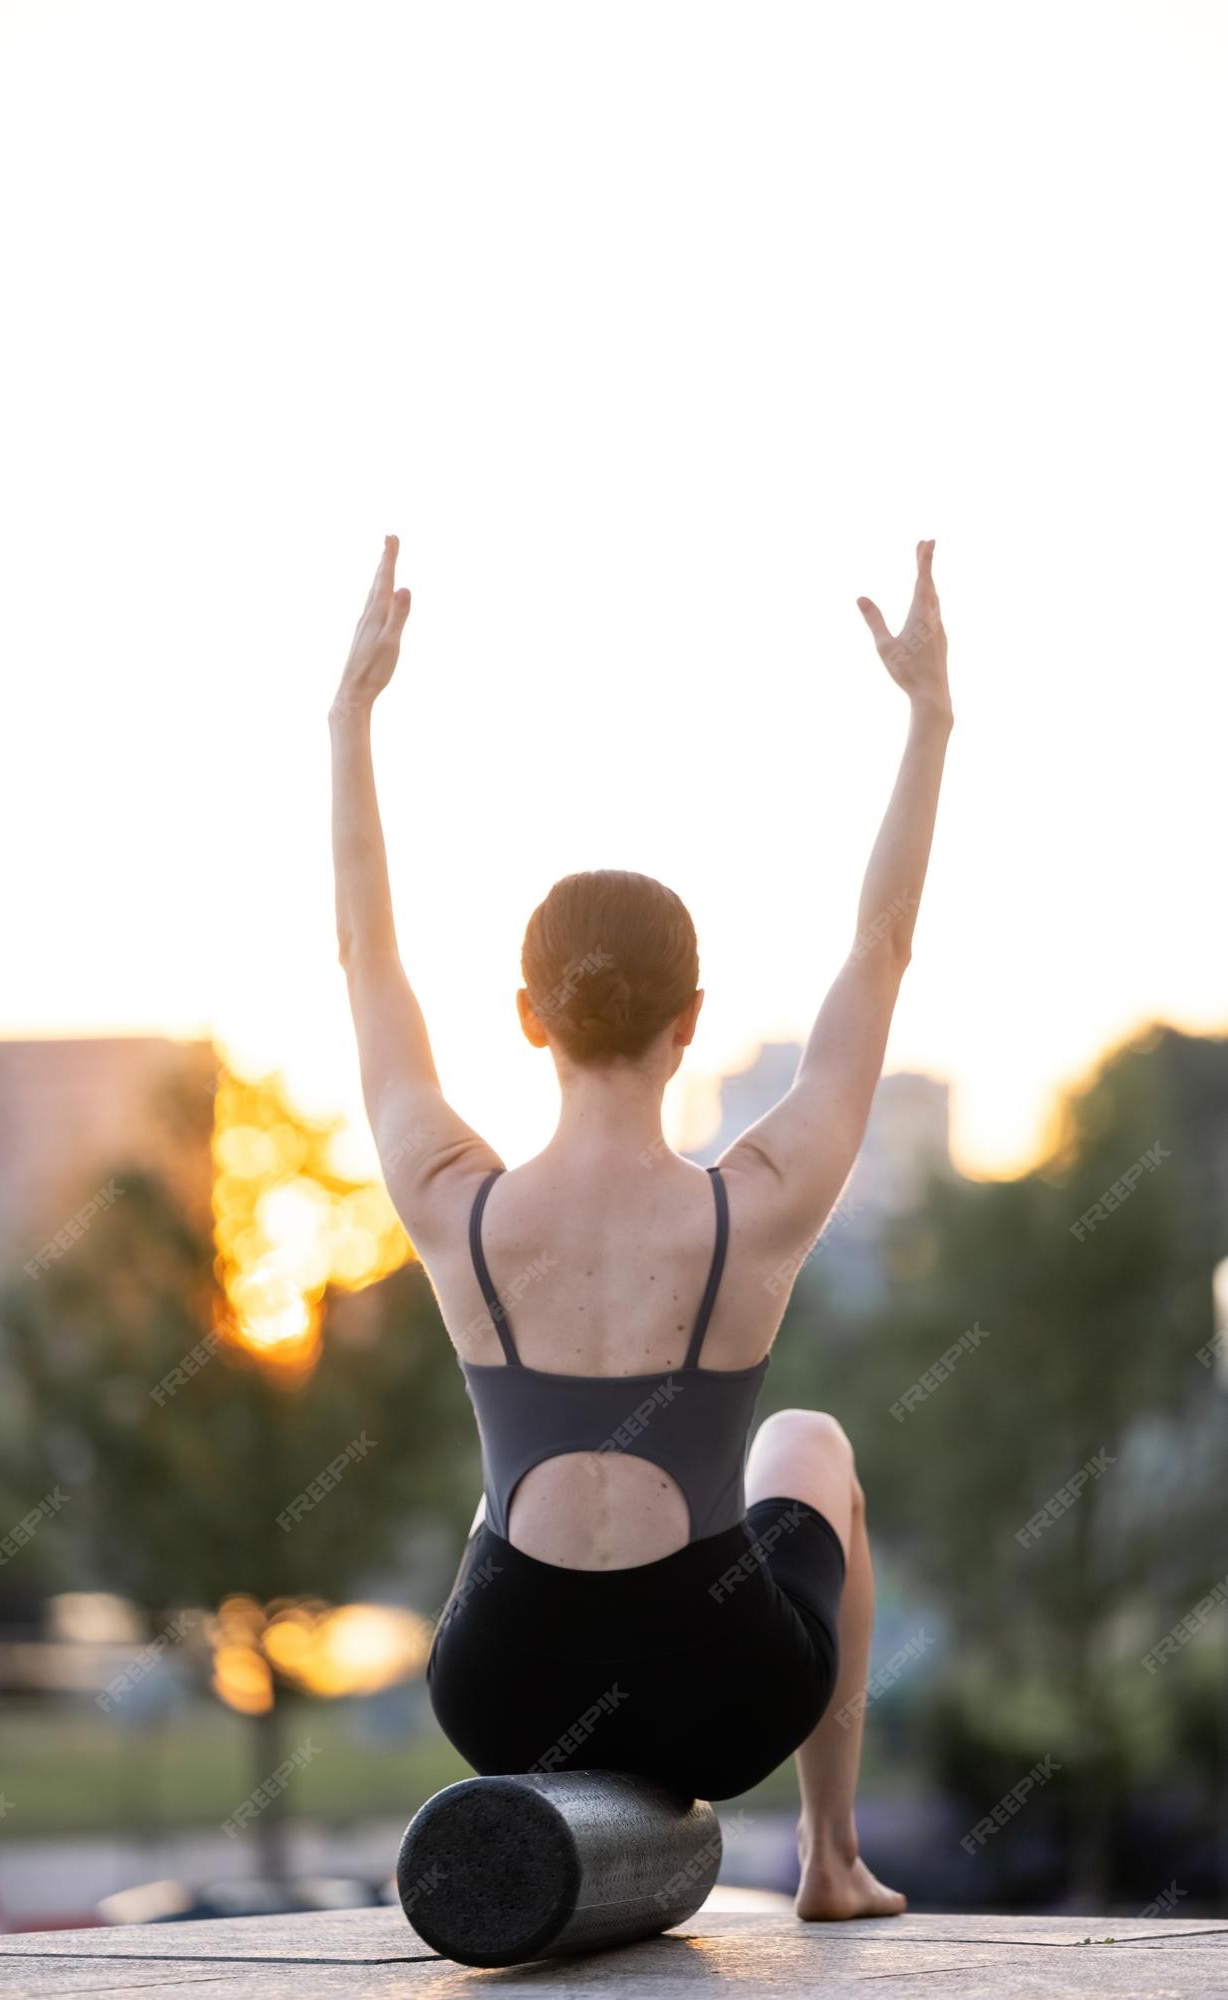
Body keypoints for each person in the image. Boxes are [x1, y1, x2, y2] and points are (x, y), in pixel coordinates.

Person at [329, 534, 953, 1921]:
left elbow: (366, 957)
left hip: (500, 1696)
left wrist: (348, 718)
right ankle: (834, 1863)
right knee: (812, 1444)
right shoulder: (758, 1203)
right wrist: (929, 717)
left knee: (500, 1489)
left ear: (525, 1021)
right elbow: (881, 948)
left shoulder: (453, 1201)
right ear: (690, 1022)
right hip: (723, 1692)